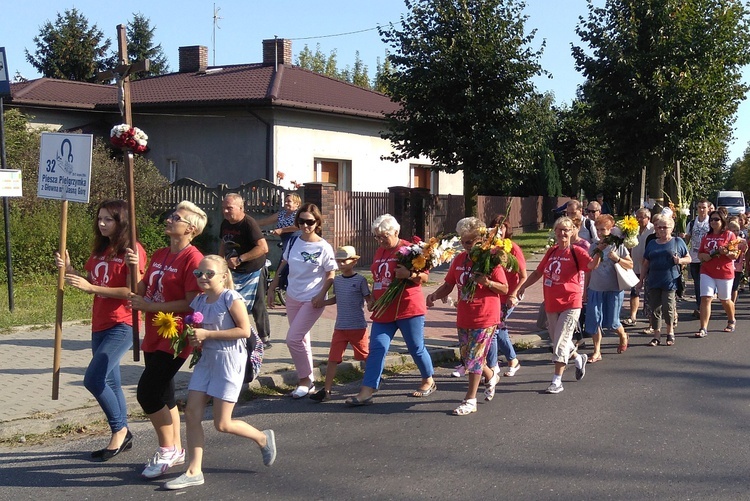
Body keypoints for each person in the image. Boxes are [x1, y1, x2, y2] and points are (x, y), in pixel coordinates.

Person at [164, 255, 276, 490]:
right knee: (192, 414)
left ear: (224, 276)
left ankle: (262, 438)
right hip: (207, 361)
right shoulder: (199, 301)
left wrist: (207, 335)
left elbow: (244, 331)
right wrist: (193, 338)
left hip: (229, 362)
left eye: (209, 274)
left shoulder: (230, 297)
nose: (202, 278)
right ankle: (194, 471)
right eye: (198, 274)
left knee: (222, 423)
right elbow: (199, 329)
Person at [54, 200, 146, 461]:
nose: (102, 224)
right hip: (100, 323)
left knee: (93, 379)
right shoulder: (101, 249)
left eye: (109, 219)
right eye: (100, 219)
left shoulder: (133, 250)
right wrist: (70, 271)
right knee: (111, 381)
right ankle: (123, 433)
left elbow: (131, 291)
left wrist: (91, 288)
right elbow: (95, 280)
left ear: (122, 222)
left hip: (123, 323)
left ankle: (120, 430)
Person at [127, 201, 206, 479]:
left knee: (147, 392)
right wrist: (135, 269)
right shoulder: (160, 253)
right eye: (172, 215)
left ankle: (166, 448)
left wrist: (149, 307)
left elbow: (191, 302)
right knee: (164, 394)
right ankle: (177, 449)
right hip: (154, 332)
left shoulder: (193, 259)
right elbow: (143, 290)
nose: (170, 219)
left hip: (176, 337)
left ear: (191, 228)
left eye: (177, 217)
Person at [345, 214, 436, 406]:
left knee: (415, 348)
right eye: (377, 237)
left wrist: (409, 274)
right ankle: (367, 390)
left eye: (383, 236)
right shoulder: (379, 252)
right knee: (377, 347)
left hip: (408, 307)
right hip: (383, 309)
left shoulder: (410, 249)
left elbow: (424, 278)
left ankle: (428, 379)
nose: (380, 240)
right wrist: (371, 298)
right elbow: (378, 278)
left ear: (396, 232)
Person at [426, 217, 508, 415]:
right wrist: (435, 295)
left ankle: (470, 400)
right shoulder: (459, 260)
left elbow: (504, 288)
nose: (466, 245)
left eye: (470, 241)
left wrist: (486, 282)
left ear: (481, 240)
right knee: (467, 357)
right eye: (463, 241)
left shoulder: (491, 259)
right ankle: (491, 375)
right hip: (464, 316)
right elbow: (449, 284)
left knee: (473, 358)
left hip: (485, 316)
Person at [267, 203, 337, 398]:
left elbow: (331, 273)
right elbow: (284, 263)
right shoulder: (293, 241)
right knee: (302, 339)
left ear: (317, 223)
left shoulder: (323, 247)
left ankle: (304, 379)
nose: (305, 225)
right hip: (293, 296)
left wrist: (321, 294)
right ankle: (310, 382)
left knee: (293, 339)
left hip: (312, 299)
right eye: (301, 221)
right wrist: (273, 286)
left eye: (309, 222)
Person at [517, 217, 592, 394]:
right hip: (551, 302)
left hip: (571, 301)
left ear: (573, 231)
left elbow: (591, 265)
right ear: (555, 232)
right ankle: (578, 357)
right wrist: (522, 287)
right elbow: (537, 272)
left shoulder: (577, 252)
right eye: (559, 229)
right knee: (558, 339)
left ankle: (557, 381)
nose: (563, 233)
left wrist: (601, 253)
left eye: (566, 229)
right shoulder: (551, 252)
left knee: (559, 342)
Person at [310, 245, 372, 402]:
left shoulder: (360, 280)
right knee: (333, 358)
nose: (341, 264)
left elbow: (368, 299)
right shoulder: (337, 281)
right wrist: (322, 303)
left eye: (345, 261)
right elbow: (337, 298)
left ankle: (370, 384)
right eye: (338, 261)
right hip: (340, 327)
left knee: (365, 357)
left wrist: (373, 303)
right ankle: (327, 391)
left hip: (358, 326)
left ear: (354, 261)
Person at [219, 193, 272, 348]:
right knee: (232, 301)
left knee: (258, 304)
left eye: (229, 208)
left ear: (241, 208)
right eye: (224, 208)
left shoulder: (249, 223)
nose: (226, 211)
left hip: (254, 269)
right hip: (234, 270)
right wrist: (219, 262)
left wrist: (241, 258)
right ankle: (235, 332)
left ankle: (264, 337)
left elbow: (263, 248)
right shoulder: (225, 223)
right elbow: (223, 242)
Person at [586, 214, 632, 362]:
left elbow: (630, 265)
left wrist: (617, 259)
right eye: (597, 229)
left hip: (613, 288)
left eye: (603, 230)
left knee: (612, 322)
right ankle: (597, 351)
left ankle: (623, 335)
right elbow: (589, 269)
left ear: (611, 230)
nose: (600, 233)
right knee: (594, 321)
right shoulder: (593, 246)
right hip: (595, 288)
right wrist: (585, 289)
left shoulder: (618, 246)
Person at [640, 214, 690, 346]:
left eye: (665, 227)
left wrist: (680, 260)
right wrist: (640, 281)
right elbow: (645, 263)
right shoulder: (652, 243)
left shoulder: (678, 241)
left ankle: (670, 332)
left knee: (668, 307)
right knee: (654, 308)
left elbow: (688, 258)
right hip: (654, 279)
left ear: (671, 228)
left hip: (670, 279)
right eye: (659, 227)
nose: (662, 230)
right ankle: (656, 335)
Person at [488, 214, 526, 377]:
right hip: (495, 296)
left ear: (507, 229)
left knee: (495, 330)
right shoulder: (490, 248)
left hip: (509, 296)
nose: (499, 230)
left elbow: (524, 275)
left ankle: (493, 365)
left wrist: (514, 294)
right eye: (496, 226)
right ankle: (512, 360)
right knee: (499, 329)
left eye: (502, 227)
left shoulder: (513, 248)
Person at [695, 211, 739, 338]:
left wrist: (725, 252)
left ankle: (731, 320)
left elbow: (735, 255)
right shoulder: (706, 236)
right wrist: (704, 256)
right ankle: (703, 328)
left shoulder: (729, 235)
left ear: (722, 221)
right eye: (712, 220)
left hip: (724, 272)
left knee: (724, 299)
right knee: (706, 298)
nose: (713, 222)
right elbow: (700, 253)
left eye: (716, 219)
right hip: (707, 271)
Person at [624, 208, 654, 326]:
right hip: (634, 264)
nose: (639, 220)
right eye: (637, 217)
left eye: (642, 217)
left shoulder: (653, 230)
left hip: (649, 265)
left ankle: (652, 320)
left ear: (648, 218)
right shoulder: (633, 229)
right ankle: (633, 316)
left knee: (650, 293)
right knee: (634, 291)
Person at [684, 199, 711, 318]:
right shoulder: (692, 223)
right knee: (697, 282)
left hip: (707, 257)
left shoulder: (712, 222)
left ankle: (703, 306)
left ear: (708, 208)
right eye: (699, 207)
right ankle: (699, 305)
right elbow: (687, 239)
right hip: (694, 256)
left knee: (704, 282)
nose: (701, 210)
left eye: (704, 207)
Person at [727, 220, 747, 304]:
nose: (735, 232)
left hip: (737, 267)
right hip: (728, 267)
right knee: (728, 287)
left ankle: (733, 303)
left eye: (737, 230)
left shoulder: (742, 241)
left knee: (735, 287)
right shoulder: (727, 241)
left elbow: (745, 252)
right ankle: (727, 302)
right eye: (733, 230)